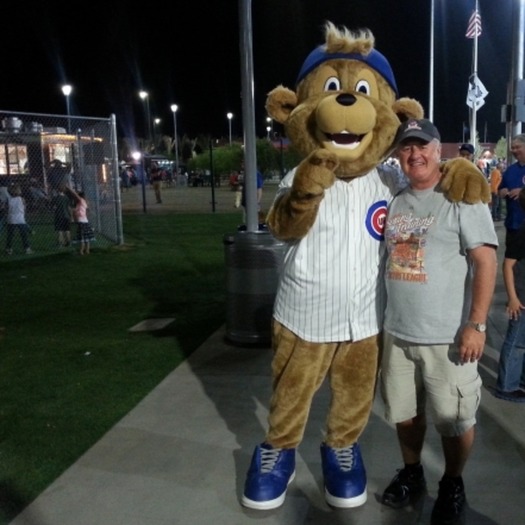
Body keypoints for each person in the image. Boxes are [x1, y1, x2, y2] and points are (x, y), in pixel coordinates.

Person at [379, 119, 498, 524]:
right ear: (399, 154)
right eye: (406, 148)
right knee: (406, 414)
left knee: (454, 418)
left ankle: (452, 482)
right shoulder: (396, 200)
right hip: (397, 333)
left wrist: (476, 324)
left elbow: (485, 260)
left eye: (422, 146)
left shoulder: (461, 198)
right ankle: (413, 472)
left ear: (437, 150)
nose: (414, 154)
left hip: (447, 338)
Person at [493, 187, 525, 402]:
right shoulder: (522, 233)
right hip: (522, 300)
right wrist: (513, 298)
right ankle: (506, 385)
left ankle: (520, 379)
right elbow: (508, 265)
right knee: (516, 343)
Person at [498, 134, 525, 247]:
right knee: (511, 262)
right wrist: (502, 192)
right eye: (512, 148)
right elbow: (500, 189)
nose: (514, 150)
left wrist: (522, 192)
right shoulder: (510, 170)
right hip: (513, 225)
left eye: (517, 147)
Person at [66, 187, 95, 255]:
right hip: (83, 221)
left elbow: (75, 195)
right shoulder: (81, 203)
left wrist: (69, 188)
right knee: (86, 236)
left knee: (82, 236)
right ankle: (86, 250)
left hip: (82, 221)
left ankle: (82, 250)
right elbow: (84, 210)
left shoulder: (81, 200)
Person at [5, 184, 32, 255]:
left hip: (11, 219)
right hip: (20, 219)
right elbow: (24, 208)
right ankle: (27, 249)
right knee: (24, 235)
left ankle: (9, 249)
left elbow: (6, 209)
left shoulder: (8, 200)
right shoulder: (22, 199)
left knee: (10, 235)